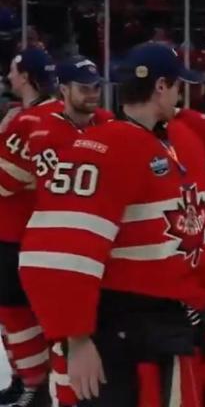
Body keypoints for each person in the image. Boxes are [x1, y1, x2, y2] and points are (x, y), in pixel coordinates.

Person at [18, 43, 205, 405]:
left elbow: (183, 227)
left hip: (171, 323)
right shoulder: (105, 148)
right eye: (178, 86)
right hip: (123, 333)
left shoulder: (173, 141)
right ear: (161, 87)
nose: (182, 95)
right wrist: (76, 338)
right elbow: (57, 249)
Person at [24, 56, 113, 407]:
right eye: (83, 88)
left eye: (96, 87)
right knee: (65, 337)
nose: (92, 95)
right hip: (62, 247)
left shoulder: (108, 122)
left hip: (101, 247)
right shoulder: (43, 131)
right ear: (63, 89)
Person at [0, 48, 62, 406]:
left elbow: (5, 181)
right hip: (27, 231)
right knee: (14, 313)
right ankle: (24, 379)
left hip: (17, 234)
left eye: (12, 70)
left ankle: (33, 386)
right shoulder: (46, 115)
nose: (8, 77)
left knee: (15, 312)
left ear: (25, 76)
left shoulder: (28, 121)